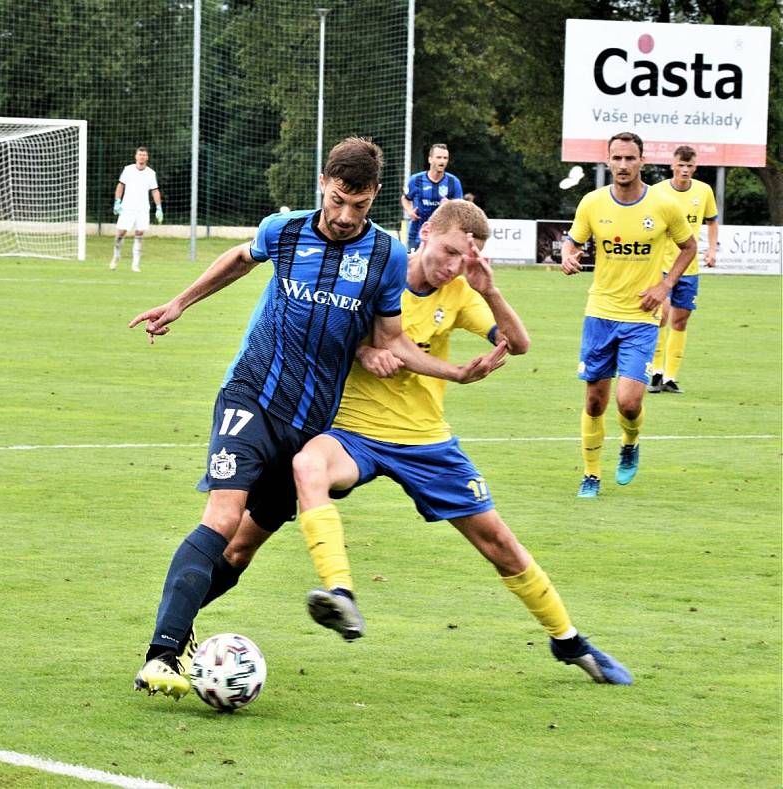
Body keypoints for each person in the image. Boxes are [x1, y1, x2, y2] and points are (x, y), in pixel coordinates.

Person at [128, 138, 506, 700]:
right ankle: (161, 654)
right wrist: (180, 303)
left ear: (375, 196)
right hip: (251, 397)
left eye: (359, 206)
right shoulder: (284, 229)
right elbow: (238, 259)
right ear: (324, 185)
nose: (346, 217)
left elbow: (391, 340)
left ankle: (178, 629)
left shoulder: (385, 257)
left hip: (309, 424)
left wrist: (452, 374)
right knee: (223, 517)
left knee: (242, 548)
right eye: (337, 201)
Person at [287, 199, 632, 684]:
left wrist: (490, 292)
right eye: (447, 251)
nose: (451, 266)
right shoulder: (376, 271)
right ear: (425, 232)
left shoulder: (460, 291)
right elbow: (325, 333)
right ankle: (341, 593)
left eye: (463, 259)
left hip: (427, 442)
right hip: (355, 431)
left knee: (501, 545)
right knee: (308, 466)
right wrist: (364, 350)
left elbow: (520, 343)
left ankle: (569, 641)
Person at [561, 132, 696, 498]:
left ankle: (629, 442)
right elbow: (572, 240)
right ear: (608, 161)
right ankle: (591, 475)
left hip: (641, 315)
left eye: (630, 158)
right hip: (599, 313)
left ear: (642, 161)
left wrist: (665, 286)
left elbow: (689, 246)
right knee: (594, 401)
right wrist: (567, 254)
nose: (623, 165)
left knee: (629, 401)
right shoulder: (591, 203)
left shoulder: (664, 205)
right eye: (617, 158)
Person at [647, 146, 718, 394]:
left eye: (690, 166)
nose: (685, 170)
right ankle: (654, 372)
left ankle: (670, 377)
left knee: (680, 321)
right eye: (681, 165)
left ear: (695, 167)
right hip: (662, 266)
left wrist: (711, 250)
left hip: (690, 267)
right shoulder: (657, 192)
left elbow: (711, 220)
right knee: (661, 316)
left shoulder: (704, 191)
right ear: (672, 165)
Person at [109, 147, 163, 273]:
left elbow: (155, 190)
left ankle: (135, 264)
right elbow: (120, 185)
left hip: (143, 208)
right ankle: (115, 257)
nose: (142, 157)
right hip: (127, 207)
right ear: (136, 156)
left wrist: (158, 207)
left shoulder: (151, 173)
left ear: (147, 157)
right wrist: (117, 201)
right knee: (120, 233)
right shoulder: (128, 170)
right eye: (140, 154)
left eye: (144, 155)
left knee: (139, 234)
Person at [401, 143, 462, 252]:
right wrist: (410, 211)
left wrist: (449, 205)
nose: (442, 161)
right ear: (430, 159)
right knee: (413, 267)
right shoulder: (416, 180)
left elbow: (460, 209)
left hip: (442, 234)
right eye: (439, 157)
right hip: (416, 232)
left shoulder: (454, 182)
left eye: (445, 158)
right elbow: (405, 199)